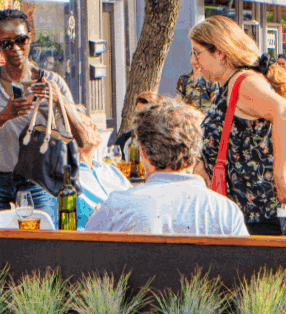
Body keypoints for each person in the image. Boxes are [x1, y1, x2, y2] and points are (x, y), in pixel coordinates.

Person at [189, 15, 286, 235]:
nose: (194, 62)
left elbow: (285, 112)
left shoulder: (244, 82)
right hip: (256, 209)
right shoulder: (231, 84)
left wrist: (280, 177)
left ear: (220, 52)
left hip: (268, 209)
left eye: (197, 53)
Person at [0, 8, 97, 218]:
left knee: (42, 243)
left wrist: (60, 101)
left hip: (39, 179)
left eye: (21, 40)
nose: (16, 49)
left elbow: (83, 139)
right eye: (7, 43)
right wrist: (3, 117)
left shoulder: (53, 82)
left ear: (31, 38)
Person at [85, 100, 247, 236]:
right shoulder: (226, 212)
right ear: (196, 153)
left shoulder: (118, 207)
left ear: (144, 154)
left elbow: (85, 262)